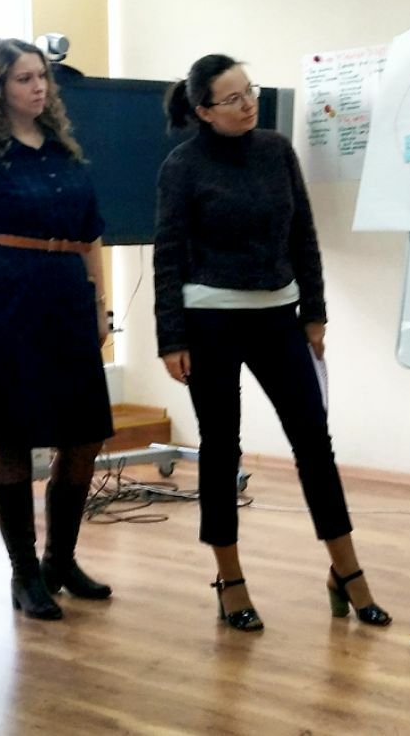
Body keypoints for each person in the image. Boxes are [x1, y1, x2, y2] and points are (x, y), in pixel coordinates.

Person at [154, 54, 390, 632]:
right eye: (232, 98)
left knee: (313, 441)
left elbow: (303, 233)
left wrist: (315, 312)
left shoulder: (276, 150)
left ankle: (346, 570)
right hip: (209, 321)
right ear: (204, 111)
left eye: (250, 92)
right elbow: (168, 254)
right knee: (221, 449)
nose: (248, 105)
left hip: (278, 316)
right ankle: (230, 579)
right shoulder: (182, 166)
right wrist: (170, 337)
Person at [0, 38, 114, 621]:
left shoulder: (64, 150)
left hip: (67, 300)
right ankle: (24, 573)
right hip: (5, 304)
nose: (38, 87)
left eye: (42, 77)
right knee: (11, 440)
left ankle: (60, 561)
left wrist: (100, 304)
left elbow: (91, 234)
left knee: (84, 436)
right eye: (23, 78)